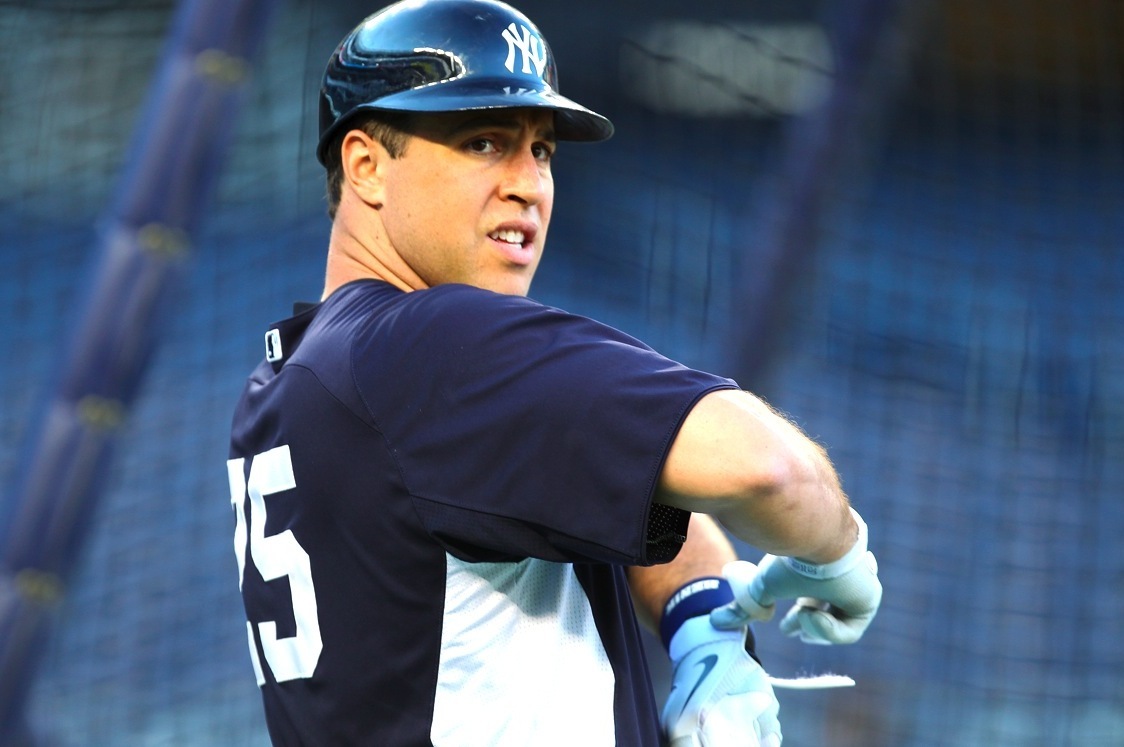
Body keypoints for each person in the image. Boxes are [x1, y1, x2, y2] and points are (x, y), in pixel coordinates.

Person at [226, 1, 882, 745]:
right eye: (483, 142)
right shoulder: (428, 343)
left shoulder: (299, 374)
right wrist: (839, 551)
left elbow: (616, 469)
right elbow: (773, 472)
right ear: (366, 167)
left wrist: (700, 617)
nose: (528, 183)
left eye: (541, 150)